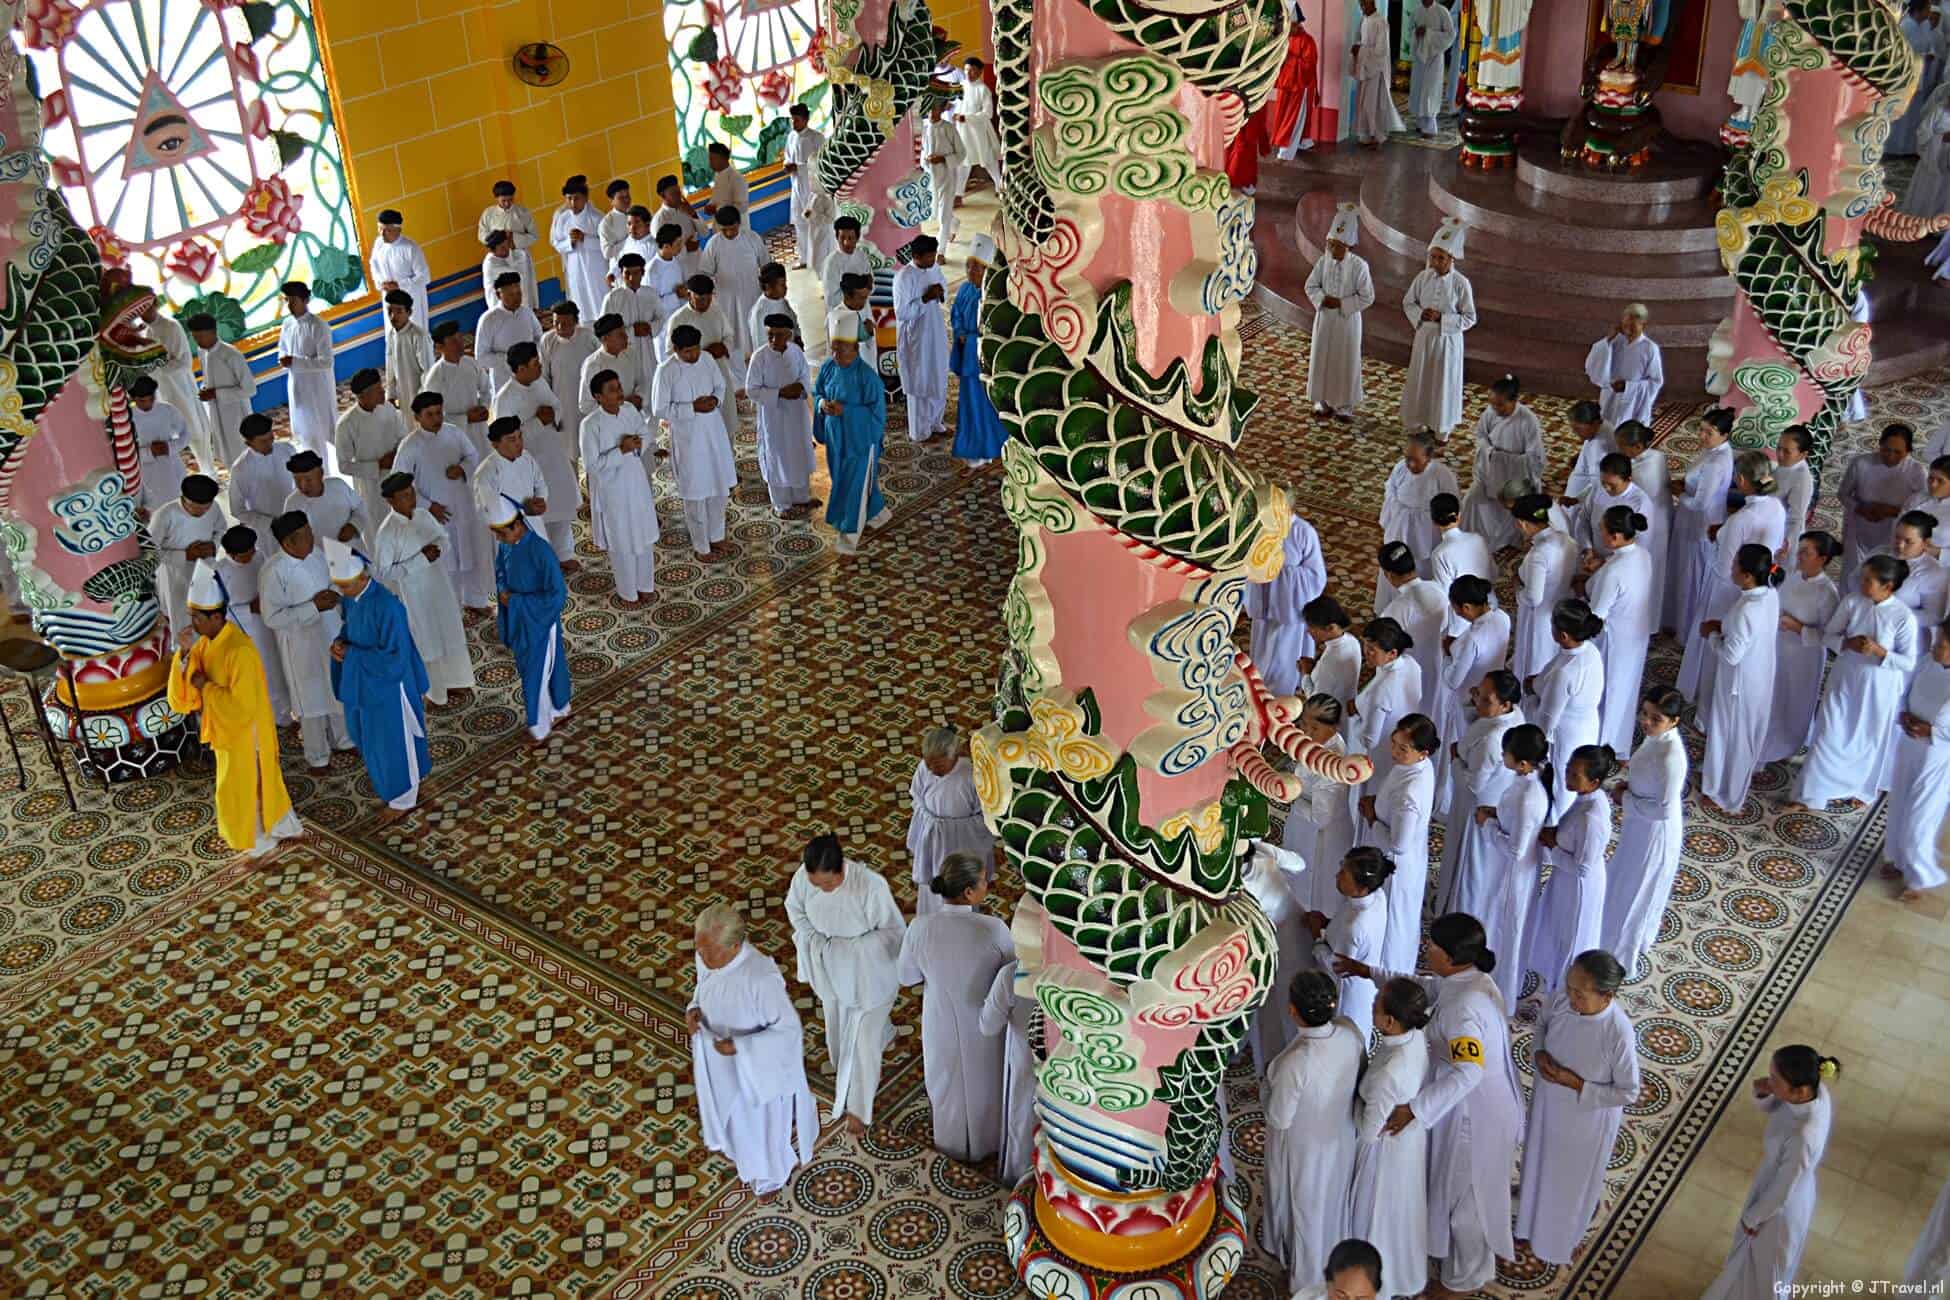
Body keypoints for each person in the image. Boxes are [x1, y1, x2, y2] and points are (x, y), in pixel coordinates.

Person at [1336, 913, 1522, 1298]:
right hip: (1465, 1105)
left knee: (1468, 1199)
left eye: (1433, 945)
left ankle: (1465, 1279)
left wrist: (1416, 1109)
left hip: (1478, 1115)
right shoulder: (1463, 981)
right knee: (1458, 1190)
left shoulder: (1465, 1008)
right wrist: (1368, 971)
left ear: (1452, 957)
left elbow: (1469, 1073)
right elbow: (1423, 988)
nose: (1427, 948)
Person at [167, 561, 305, 858]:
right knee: (241, 785)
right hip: (226, 729)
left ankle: (260, 839)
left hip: (246, 732)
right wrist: (184, 654)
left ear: (216, 616)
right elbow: (184, 693)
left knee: (246, 785)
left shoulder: (239, 650)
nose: (193, 624)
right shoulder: (206, 643)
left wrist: (206, 688)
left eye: (196, 618)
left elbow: (242, 706)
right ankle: (278, 827)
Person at [1514, 949, 1641, 1265]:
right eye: (1569, 987)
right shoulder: (1563, 1000)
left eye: (1580, 993)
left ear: (1607, 996)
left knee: (1568, 1184)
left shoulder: (1617, 1033)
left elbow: (1628, 1091)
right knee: (1539, 1163)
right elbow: (1542, 1026)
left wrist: (1577, 1085)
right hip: (1548, 1106)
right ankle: (1528, 1224)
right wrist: (1540, 1052)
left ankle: (1558, 1242)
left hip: (1584, 1121)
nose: (1570, 997)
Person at [687, 902, 819, 1200]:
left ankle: (770, 1177)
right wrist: (693, 1008)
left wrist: (740, 1046)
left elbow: (788, 1031)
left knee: (761, 1130)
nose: (701, 956)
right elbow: (702, 987)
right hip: (718, 1062)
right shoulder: (708, 958)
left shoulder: (760, 978)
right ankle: (744, 1159)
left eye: (708, 951)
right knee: (734, 1125)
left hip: (756, 1070)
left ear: (734, 946)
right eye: (699, 948)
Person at [897, 852, 1015, 1161]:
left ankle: (950, 1143)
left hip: (939, 1018)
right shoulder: (993, 929)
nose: (988, 883)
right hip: (983, 1017)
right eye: (983, 881)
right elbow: (1012, 972)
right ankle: (987, 1142)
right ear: (969, 892)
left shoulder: (919, 928)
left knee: (945, 1078)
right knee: (986, 1079)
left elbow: (906, 977)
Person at [785, 834, 906, 1134]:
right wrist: (815, 939)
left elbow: (893, 931)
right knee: (838, 1029)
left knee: (864, 1042)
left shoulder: (870, 886)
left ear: (841, 870)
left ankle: (859, 1109)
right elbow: (795, 909)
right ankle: (882, 1037)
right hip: (829, 962)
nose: (822, 889)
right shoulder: (804, 878)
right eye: (817, 884)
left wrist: (856, 949)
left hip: (868, 967)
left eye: (828, 884)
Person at [1701, 1046, 1840, 1299]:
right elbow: (1775, 1107)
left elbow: (1783, 1190)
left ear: (1798, 1091)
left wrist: (1753, 1219)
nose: (1769, 1081)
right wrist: (1764, 1090)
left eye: (1775, 1079)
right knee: (1749, 1262)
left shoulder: (1803, 1135)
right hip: (1774, 1182)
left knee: (1765, 1270)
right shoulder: (1815, 1091)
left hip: (1781, 1211)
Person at [1789, 554, 1918, 810]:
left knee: (1866, 738)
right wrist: (1847, 643)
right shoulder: (1852, 602)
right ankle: (1811, 794)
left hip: (1878, 687)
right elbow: (1829, 636)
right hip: (1846, 676)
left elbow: (1908, 662)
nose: (1862, 583)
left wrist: (1881, 652)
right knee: (1829, 732)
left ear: (1887, 586)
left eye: (1868, 580)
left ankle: (1858, 785)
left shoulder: (1903, 617)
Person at [1262, 970, 1365, 1284]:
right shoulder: (1350, 1032)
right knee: (1333, 1201)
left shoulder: (1294, 1062)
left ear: (1292, 1011)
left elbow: (1279, 1118)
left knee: (1305, 1210)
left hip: (1303, 1148)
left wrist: (1265, 1088)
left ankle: (1306, 1280)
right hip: (1342, 1134)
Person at [324, 539, 430, 823]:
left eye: (345, 585)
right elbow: (351, 631)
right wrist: (339, 644)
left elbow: (395, 657)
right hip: (366, 682)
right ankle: (412, 777)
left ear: (363, 576)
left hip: (389, 686)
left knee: (395, 739)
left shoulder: (388, 607)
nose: (341, 592)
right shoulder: (351, 600)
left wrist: (352, 655)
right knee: (372, 739)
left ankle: (404, 797)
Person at [1679, 450, 1788, 701]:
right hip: (1757, 581)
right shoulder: (1776, 506)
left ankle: (1701, 692)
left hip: (1727, 586)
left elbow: (1725, 565)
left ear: (1740, 480)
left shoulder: (1743, 518)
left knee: (1713, 638)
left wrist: (1718, 536)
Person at [1601, 690, 1688, 973]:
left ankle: (1621, 952)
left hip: (1654, 834)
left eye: (1656, 719)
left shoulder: (1671, 757)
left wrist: (1625, 799)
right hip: (1638, 825)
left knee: (1637, 889)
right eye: (1645, 714)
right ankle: (1606, 935)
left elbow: (1663, 810)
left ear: (1674, 721)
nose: (1646, 722)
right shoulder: (1655, 741)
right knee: (1624, 879)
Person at [261, 511, 354, 772]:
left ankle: (344, 740)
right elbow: (271, 617)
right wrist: (312, 606)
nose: (312, 538)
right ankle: (317, 756)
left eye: (310, 532)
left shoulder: (317, 555)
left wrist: (333, 595)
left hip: (330, 632)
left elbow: (334, 582)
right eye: (305, 537)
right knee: (310, 700)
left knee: (335, 687)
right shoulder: (273, 572)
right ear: (288, 544)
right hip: (301, 644)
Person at [373, 473, 475, 707]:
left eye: (412, 493)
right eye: (404, 496)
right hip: (415, 595)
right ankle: (435, 693)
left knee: (448, 630)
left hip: (439, 585)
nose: (411, 499)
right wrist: (420, 560)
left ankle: (456, 680)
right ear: (390, 501)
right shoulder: (387, 533)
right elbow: (383, 573)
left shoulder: (423, 516)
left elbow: (444, 538)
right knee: (427, 640)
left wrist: (437, 548)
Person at [1698, 544, 1784, 812]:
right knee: (1743, 733)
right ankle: (1726, 781)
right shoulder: (1768, 595)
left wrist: (1711, 635)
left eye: (1735, 564)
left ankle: (1723, 793)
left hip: (1739, 682)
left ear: (1747, 575)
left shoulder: (1749, 609)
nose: (1731, 568)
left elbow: (1731, 654)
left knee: (1731, 734)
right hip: (1757, 675)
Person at [1471, 723, 1549, 1008]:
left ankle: (1497, 991)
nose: (1502, 756)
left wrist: (1488, 825)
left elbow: (1517, 849)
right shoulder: (1525, 783)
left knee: (1503, 929)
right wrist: (1496, 815)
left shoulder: (1529, 797)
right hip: (1505, 866)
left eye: (1505, 753)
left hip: (1511, 873)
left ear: (1524, 763)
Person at [485, 492, 572, 746]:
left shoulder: (541, 551)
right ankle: (559, 707)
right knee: (538, 668)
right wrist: (504, 591)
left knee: (535, 671)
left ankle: (539, 725)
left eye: (502, 533)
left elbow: (557, 595)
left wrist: (517, 602)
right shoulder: (506, 545)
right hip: (520, 618)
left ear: (518, 525)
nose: (499, 540)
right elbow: (500, 569)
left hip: (539, 621)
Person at [1527, 746, 1615, 994]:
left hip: (1579, 887)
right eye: (1568, 770)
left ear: (1594, 781)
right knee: (1555, 929)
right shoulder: (1584, 800)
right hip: (1564, 880)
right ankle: (1554, 979)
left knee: (1572, 939)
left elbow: (1583, 868)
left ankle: (1567, 993)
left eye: (1576, 775)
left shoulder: (1591, 817)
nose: (1567, 778)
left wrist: (1553, 846)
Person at [394, 393, 491, 614]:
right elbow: (401, 486)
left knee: (471, 553)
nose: (436, 418)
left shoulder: (454, 432)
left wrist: (462, 469)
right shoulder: (410, 447)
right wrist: (429, 507)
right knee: (448, 563)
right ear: (417, 417)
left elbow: (473, 456)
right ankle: (453, 610)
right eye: (429, 414)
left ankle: (476, 600)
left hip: (463, 506)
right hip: (435, 515)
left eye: (438, 412)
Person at [1438, 670, 1525, 916]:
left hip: (1477, 803)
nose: (1479, 702)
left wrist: (1455, 760)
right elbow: (1476, 720)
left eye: (1486, 700)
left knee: (1470, 864)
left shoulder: (1492, 740)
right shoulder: (1514, 715)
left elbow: (1474, 783)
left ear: (1505, 704)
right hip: (1484, 798)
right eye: (1479, 694)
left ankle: (1459, 913)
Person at [1359, 715, 1438, 975]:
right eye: (1394, 743)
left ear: (1423, 753)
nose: (1394, 752)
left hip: (1396, 867)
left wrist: (1372, 819)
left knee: (1392, 924)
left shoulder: (1410, 792)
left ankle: (1386, 975)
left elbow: (1398, 845)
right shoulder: (1416, 766)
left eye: (1402, 749)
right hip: (1406, 857)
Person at [655, 323, 738, 560]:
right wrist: (691, 407)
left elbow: (720, 385)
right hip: (688, 438)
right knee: (696, 493)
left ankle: (717, 536)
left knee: (719, 487)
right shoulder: (666, 370)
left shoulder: (707, 360)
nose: (692, 355)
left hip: (713, 431)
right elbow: (660, 408)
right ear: (675, 349)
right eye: (687, 351)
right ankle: (701, 546)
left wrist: (714, 399)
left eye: (695, 349)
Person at [814, 309, 892, 555]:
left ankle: (849, 537)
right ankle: (878, 514)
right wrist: (821, 405)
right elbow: (818, 392)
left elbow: (877, 414)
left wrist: (846, 412)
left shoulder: (867, 377)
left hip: (860, 440)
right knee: (842, 480)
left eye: (841, 350)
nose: (835, 355)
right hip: (837, 439)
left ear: (855, 350)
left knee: (856, 484)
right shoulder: (828, 367)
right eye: (833, 349)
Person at [578, 371, 660, 605]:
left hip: (635, 482)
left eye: (619, 386)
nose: (619, 392)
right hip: (612, 491)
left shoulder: (629, 411)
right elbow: (593, 465)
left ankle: (645, 586)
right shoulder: (590, 425)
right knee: (622, 540)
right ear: (598, 396)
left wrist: (636, 445)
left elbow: (643, 434)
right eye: (612, 389)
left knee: (643, 536)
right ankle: (627, 592)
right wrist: (620, 451)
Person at [493, 340, 578, 566]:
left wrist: (553, 415)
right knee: (538, 514)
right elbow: (506, 441)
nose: (540, 367)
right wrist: (538, 421)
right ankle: (545, 561)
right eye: (535, 364)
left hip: (553, 453)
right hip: (529, 463)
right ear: (520, 369)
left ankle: (564, 554)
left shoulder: (539, 382)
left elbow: (556, 406)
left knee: (561, 503)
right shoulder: (505, 398)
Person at [1883, 618, 1950, 900]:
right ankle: (1898, 859)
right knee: (1900, 804)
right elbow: (1906, 689)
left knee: (1921, 816)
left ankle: (1921, 877)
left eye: (1943, 646)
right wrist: (1904, 713)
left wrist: (1932, 731)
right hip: (1910, 744)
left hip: (1938, 755)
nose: (1935, 649)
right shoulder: (1928, 661)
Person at [1765, 531, 1843, 762]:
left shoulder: (1827, 592)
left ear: (1822, 558)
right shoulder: (1794, 576)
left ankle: (1790, 739)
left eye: (1806, 552)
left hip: (1804, 654)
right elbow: (1775, 583)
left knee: (1795, 696)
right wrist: (1775, 564)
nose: (1799, 556)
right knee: (1775, 692)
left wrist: (1798, 627)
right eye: (1799, 550)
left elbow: (1830, 636)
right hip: (1780, 645)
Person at [1583, 504, 1656, 752]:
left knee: (1607, 690)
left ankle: (1602, 744)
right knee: (1627, 687)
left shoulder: (1613, 571)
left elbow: (1596, 615)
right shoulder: (1643, 555)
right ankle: (1619, 741)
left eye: (1602, 530)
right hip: (1636, 633)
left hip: (1614, 640)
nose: (1600, 534)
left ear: (1614, 537)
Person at [1303, 846, 1392, 1043]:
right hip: (1362, 984)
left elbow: (1336, 967)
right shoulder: (1376, 896)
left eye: (1344, 874)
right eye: (1341, 868)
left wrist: (1316, 934)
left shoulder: (1356, 926)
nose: (1337, 875)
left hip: (1346, 994)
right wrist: (1328, 922)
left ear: (1361, 887)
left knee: (1341, 1040)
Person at [1279, 695, 1357, 915]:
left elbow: (1322, 816)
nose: (1307, 733)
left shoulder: (1332, 762)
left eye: (1315, 728)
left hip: (1319, 834)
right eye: (1304, 725)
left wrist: (1292, 795)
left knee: (1312, 886)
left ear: (1334, 728)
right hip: (1303, 822)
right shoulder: (1316, 744)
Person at [906, 724, 994, 914]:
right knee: (932, 891)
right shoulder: (924, 769)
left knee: (961, 888)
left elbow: (984, 815)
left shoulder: (971, 776)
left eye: (937, 765)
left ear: (953, 756)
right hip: (933, 840)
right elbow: (917, 798)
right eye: (928, 764)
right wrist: (930, 823)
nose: (931, 770)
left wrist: (954, 828)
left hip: (961, 842)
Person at [1530, 599, 1606, 818]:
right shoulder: (1590, 650)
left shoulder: (1566, 672)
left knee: (1564, 783)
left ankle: (1557, 825)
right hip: (1588, 722)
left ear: (1562, 635)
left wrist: (1538, 742)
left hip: (1566, 731)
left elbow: (1548, 715)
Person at [1400, 222, 1475, 441]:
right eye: (1433, 257)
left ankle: (1441, 426)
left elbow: (1470, 317)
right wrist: (1420, 314)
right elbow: (1408, 303)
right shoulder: (1423, 278)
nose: (1435, 262)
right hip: (1424, 337)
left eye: (1441, 258)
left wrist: (1443, 318)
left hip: (1447, 341)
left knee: (1443, 381)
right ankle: (1417, 421)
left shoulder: (1461, 284)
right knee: (1422, 377)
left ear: (1452, 259)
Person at [1666, 408, 1736, 635]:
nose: (1702, 436)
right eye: (1701, 430)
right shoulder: (1713, 452)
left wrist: (1680, 493)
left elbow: (1700, 503)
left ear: (1724, 435)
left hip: (1700, 521)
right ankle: (1677, 620)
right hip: (1691, 518)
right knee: (1684, 568)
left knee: (1692, 573)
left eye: (1710, 432)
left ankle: (1687, 627)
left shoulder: (1716, 462)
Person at [1247, 510, 1328, 698]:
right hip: (1264, 602)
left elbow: (1316, 577)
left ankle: (1283, 696)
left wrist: (1284, 575)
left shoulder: (1303, 532)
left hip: (1291, 610)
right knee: (1262, 652)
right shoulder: (1262, 526)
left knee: (1286, 658)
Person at [1461, 374, 1545, 551]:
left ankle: (1514, 538)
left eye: (1500, 404)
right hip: (1491, 471)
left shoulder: (1528, 420)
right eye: (1493, 404)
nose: (1495, 409)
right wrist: (1490, 453)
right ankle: (1470, 538)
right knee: (1471, 500)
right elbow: (1481, 437)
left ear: (1514, 401)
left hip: (1517, 477)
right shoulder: (1490, 413)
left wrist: (1508, 461)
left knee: (1519, 507)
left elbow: (1534, 456)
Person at [746, 314, 819, 518]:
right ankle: (782, 505)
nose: (774, 340)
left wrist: (801, 388)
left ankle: (802, 497)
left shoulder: (796, 352)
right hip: (773, 416)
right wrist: (779, 393)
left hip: (797, 413)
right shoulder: (759, 357)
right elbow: (751, 390)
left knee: (799, 452)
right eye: (770, 335)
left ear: (789, 334)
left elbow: (805, 375)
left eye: (779, 335)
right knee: (776, 456)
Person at [216, 525, 291, 722]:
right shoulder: (221, 572)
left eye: (252, 550)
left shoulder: (259, 557)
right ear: (231, 554)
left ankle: (287, 714)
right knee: (264, 672)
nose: (251, 556)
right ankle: (272, 718)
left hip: (271, 621)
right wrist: (249, 608)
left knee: (280, 668)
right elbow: (220, 612)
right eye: (245, 554)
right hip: (247, 629)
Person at [1305, 205, 1374, 419]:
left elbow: (1367, 296)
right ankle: (1322, 399)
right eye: (1329, 244)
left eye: (1336, 245)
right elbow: (1310, 286)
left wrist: (1343, 304)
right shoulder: (1323, 262)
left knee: (1344, 359)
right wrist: (1322, 299)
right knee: (1322, 357)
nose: (1331, 249)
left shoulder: (1359, 267)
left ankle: (1344, 404)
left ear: (1348, 245)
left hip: (1347, 322)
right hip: (1325, 319)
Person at [1377, 433, 1460, 608]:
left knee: (1421, 566)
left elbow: (1451, 503)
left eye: (1415, 460)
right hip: (1400, 525)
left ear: (1429, 456)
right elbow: (1390, 488)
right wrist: (1399, 509)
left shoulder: (1442, 475)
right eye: (1407, 458)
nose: (1410, 464)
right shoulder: (1401, 468)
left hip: (1426, 534)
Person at [1840, 424, 1927, 589]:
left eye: (1898, 452)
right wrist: (1861, 508)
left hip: (1893, 533)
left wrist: (1892, 511)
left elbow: (1921, 510)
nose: (1890, 456)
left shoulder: (1916, 472)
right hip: (1859, 528)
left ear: (1908, 452)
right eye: (1886, 450)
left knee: (1882, 577)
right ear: (1879, 445)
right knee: (1851, 574)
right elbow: (1843, 494)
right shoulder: (1861, 464)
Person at [1350, 618, 1424, 804]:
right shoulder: (1410, 664)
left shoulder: (1382, 690)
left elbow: (1369, 739)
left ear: (1392, 653)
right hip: (1400, 740)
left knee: (1371, 798)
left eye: (1372, 649)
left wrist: (1356, 717)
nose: (1365, 653)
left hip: (1380, 752)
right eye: (1365, 645)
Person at [148, 474, 226, 647]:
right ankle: (185, 657)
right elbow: (150, 552)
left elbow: (221, 529)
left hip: (204, 569)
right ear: (183, 499)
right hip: (174, 575)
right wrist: (185, 555)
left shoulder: (214, 508)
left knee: (207, 613)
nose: (201, 513)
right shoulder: (165, 515)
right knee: (182, 620)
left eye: (206, 508)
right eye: (195, 508)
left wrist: (213, 545)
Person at [978, 958, 1037, 1187]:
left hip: (1025, 1063)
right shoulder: (1084, 975)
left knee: (1021, 1121)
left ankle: (1019, 1181)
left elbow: (988, 1025)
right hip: (1067, 1069)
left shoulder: (1013, 974)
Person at [951, 236, 1007, 468]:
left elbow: (997, 328)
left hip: (983, 360)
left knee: (985, 406)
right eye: (968, 265)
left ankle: (989, 447)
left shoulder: (994, 294)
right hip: (968, 359)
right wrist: (960, 332)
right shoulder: (965, 289)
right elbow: (955, 314)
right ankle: (974, 448)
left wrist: (971, 337)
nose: (970, 270)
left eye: (976, 266)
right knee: (969, 405)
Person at [1512, 495, 1581, 682]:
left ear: (1523, 523)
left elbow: (1534, 597)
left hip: (1539, 617)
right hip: (1561, 607)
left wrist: (1519, 590)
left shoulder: (1539, 553)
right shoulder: (1568, 541)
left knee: (1535, 660)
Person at [666, 274, 742, 440]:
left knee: (726, 421)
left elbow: (729, 335)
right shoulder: (678, 320)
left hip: (719, 372)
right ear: (688, 295)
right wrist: (704, 354)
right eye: (700, 299)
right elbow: (670, 354)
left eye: (708, 299)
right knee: (704, 433)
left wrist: (723, 347)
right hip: (693, 381)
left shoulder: (716, 310)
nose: (705, 304)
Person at [1377, 542, 1447, 716]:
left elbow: (1385, 654)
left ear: (1388, 575)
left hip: (1409, 673)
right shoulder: (1438, 589)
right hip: (1439, 662)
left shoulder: (1395, 610)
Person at [275, 281, 337, 476]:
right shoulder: (287, 324)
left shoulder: (318, 326)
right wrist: (285, 359)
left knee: (319, 432)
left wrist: (296, 361)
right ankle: (314, 472)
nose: (290, 305)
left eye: (293, 300)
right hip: (296, 386)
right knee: (304, 432)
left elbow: (326, 361)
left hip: (316, 389)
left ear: (305, 300)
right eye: (287, 301)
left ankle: (325, 475)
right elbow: (283, 349)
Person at [143, 299, 212, 470]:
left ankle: (208, 470)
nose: (141, 314)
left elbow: (184, 363)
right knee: (167, 433)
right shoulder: (145, 332)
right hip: (159, 390)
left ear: (154, 305)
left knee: (193, 428)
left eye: (144, 308)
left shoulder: (171, 327)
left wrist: (157, 365)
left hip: (180, 387)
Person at [894, 234, 951, 440]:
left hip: (935, 332)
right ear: (916, 255)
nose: (934, 259)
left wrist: (939, 292)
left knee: (938, 375)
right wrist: (925, 298)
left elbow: (943, 285)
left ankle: (936, 422)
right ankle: (920, 431)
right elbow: (902, 313)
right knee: (919, 382)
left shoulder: (933, 267)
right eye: (929, 256)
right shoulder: (904, 277)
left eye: (934, 255)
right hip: (916, 339)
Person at [1615, 420, 1673, 618]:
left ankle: (1647, 619)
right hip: (1661, 516)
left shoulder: (1644, 473)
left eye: (1622, 446)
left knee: (1650, 572)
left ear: (1637, 447)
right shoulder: (1658, 455)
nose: (1619, 450)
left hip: (1652, 524)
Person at [334, 368, 404, 522]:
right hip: (372, 489)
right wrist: (377, 465)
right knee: (378, 527)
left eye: (381, 387)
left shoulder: (388, 408)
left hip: (398, 477)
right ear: (362, 396)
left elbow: (402, 436)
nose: (383, 392)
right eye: (377, 390)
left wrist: (398, 453)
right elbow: (343, 465)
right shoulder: (347, 424)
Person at [188, 312, 256, 469]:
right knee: (225, 452)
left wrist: (216, 393)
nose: (198, 341)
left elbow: (250, 389)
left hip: (236, 413)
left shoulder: (231, 355)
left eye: (201, 336)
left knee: (241, 452)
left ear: (213, 332)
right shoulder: (203, 352)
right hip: (216, 410)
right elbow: (209, 379)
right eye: (195, 337)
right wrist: (205, 390)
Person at [700, 206, 767, 362]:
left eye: (732, 229)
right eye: (724, 230)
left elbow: (765, 265)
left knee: (754, 331)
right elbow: (705, 272)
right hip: (726, 300)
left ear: (739, 223)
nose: (729, 233)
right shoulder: (714, 244)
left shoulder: (752, 238)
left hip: (752, 295)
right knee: (733, 335)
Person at [1584, 304, 1664, 428]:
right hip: (1610, 398)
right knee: (1605, 432)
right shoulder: (1615, 341)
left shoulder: (1650, 348)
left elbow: (1655, 381)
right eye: (1625, 325)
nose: (1628, 330)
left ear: (1643, 325)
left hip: (1632, 404)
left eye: (1633, 326)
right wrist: (1609, 338)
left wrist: (1628, 387)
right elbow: (1594, 363)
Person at [425, 321, 494, 459]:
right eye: (453, 341)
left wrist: (484, 407)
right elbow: (431, 418)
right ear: (439, 347)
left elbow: (486, 389)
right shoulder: (435, 378)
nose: (460, 344)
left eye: (460, 339)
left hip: (480, 431)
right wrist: (465, 418)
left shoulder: (471, 363)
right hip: (454, 437)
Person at [1428, 494, 1494, 635]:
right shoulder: (1478, 538)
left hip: (1464, 619)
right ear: (1458, 516)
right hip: (1489, 604)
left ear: (1434, 522)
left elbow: (1445, 593)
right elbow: (1493, 572)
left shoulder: (1439, 553)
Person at [284, 448, 371, 555]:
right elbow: (291, 539)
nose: (303, 486)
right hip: (321, 559)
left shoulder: (338, 486)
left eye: (308, 480)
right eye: (297, 481)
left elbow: (360, 507)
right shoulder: (293, 503)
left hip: (354, 552)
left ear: (320, 473)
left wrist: (354, 525)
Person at [129, 374, 192, 516]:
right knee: (155, 512)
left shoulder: (167, 410)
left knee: (180, 507)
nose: (147, 404)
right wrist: (148, 452)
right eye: (142, 401)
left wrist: (169, 447)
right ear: (133, 399)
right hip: (146, 471)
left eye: (151, 399)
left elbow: (186, 435)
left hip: (171, 465)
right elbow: (126, 451)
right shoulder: (128, 417)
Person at [1574, 452, 1653, 563]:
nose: (1606, 488)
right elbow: (1583, 519)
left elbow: (1639, 545)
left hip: (1618, 562)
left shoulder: (1640, 503)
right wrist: (1587, 548)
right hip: (1591, 555)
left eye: (1612, 485)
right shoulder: (1598, 488)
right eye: (1603, 483)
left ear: (1629, 479)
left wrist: (1605, 562)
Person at [226, 414, 293, 544]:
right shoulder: (241, 469)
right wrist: (270, 523)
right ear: (248, 443)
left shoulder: (287, 450)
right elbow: (237, 510)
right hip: (267, 531)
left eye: (271, 438)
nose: (270, 444)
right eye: (263, 441)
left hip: (294, 518)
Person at [477, 271, 544, 395]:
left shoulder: (527, 312)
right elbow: (481, 357)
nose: (516, 298)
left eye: (519, 293)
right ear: (498, 294)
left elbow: (539, 338)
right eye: (510, 294)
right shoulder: (488, 320)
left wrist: (532, 355)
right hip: (504, 381)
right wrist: (510, 359)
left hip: (532, 377)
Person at [550, 176, 607, 320]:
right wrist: (570, 243)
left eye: (577, 198)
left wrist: (585, 239)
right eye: (569, 199)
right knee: (581, 304)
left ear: (586, 197)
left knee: (599, 302)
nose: (572, 203)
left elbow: (605, 244)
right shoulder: (563, 219)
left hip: (596, 268)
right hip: (575, 267)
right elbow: (557, 243)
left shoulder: (597, 217)